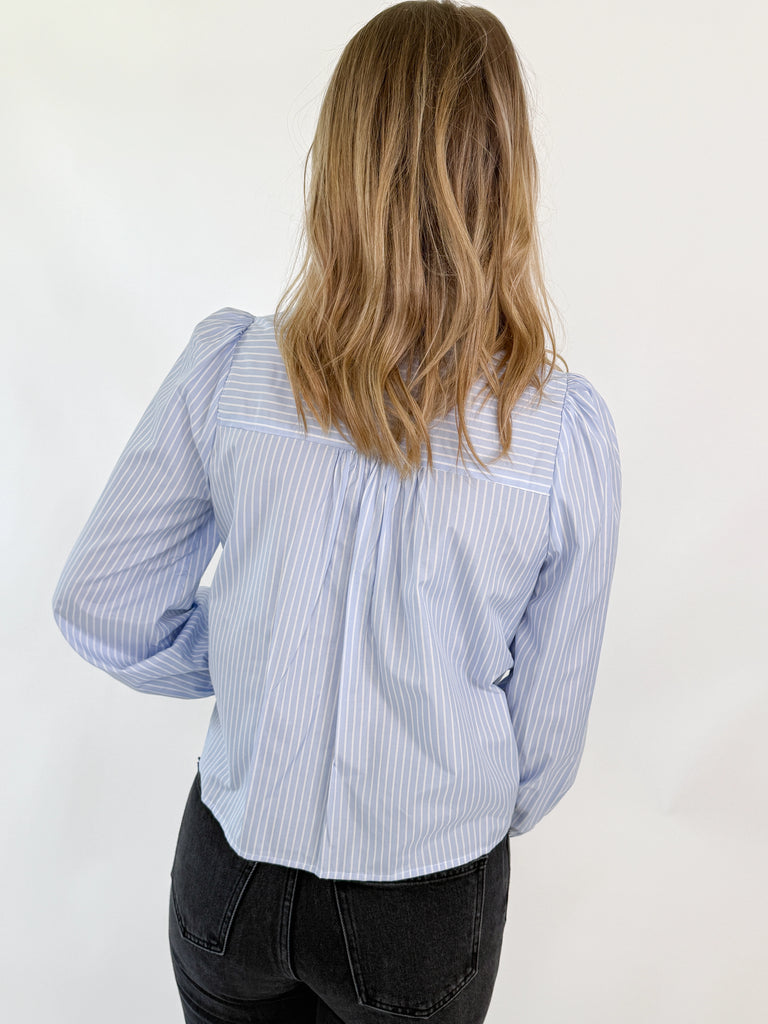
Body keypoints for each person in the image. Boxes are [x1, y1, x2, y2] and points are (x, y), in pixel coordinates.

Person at [51, 2, 622, 1021]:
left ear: (340, 160)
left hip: (228, 878)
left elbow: (105, 604)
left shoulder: (230, 370)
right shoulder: (559, 435)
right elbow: (538, 755)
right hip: (424, 902)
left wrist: (262, 661)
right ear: (506, 176)